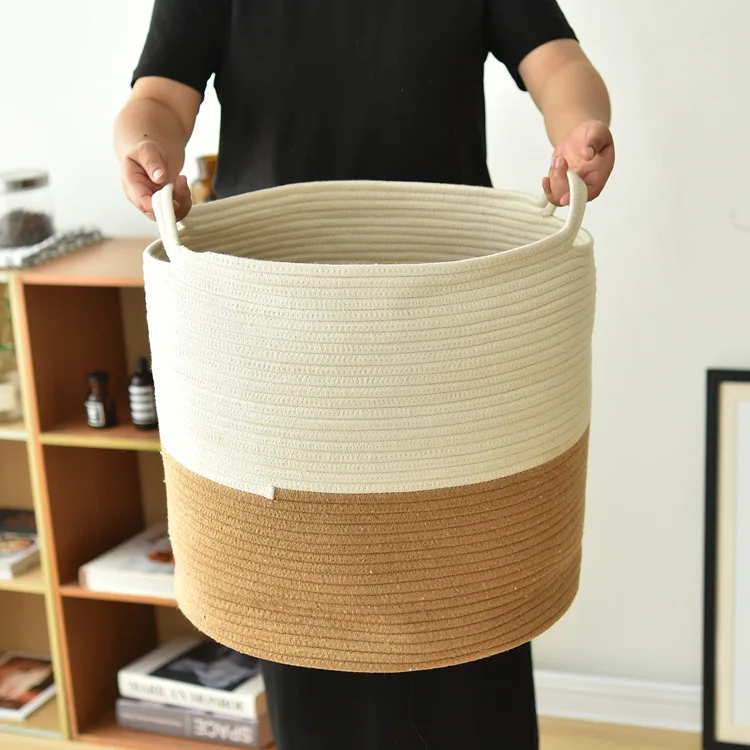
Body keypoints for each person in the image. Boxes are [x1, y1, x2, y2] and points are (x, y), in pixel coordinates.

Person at [115, 2, 614, 748]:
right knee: (304, 617)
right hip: (277, 332)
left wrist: (580, 130)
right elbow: (159, 95)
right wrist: (147, 149)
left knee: (476, 588)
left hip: (452, 328)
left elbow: (558, 61)